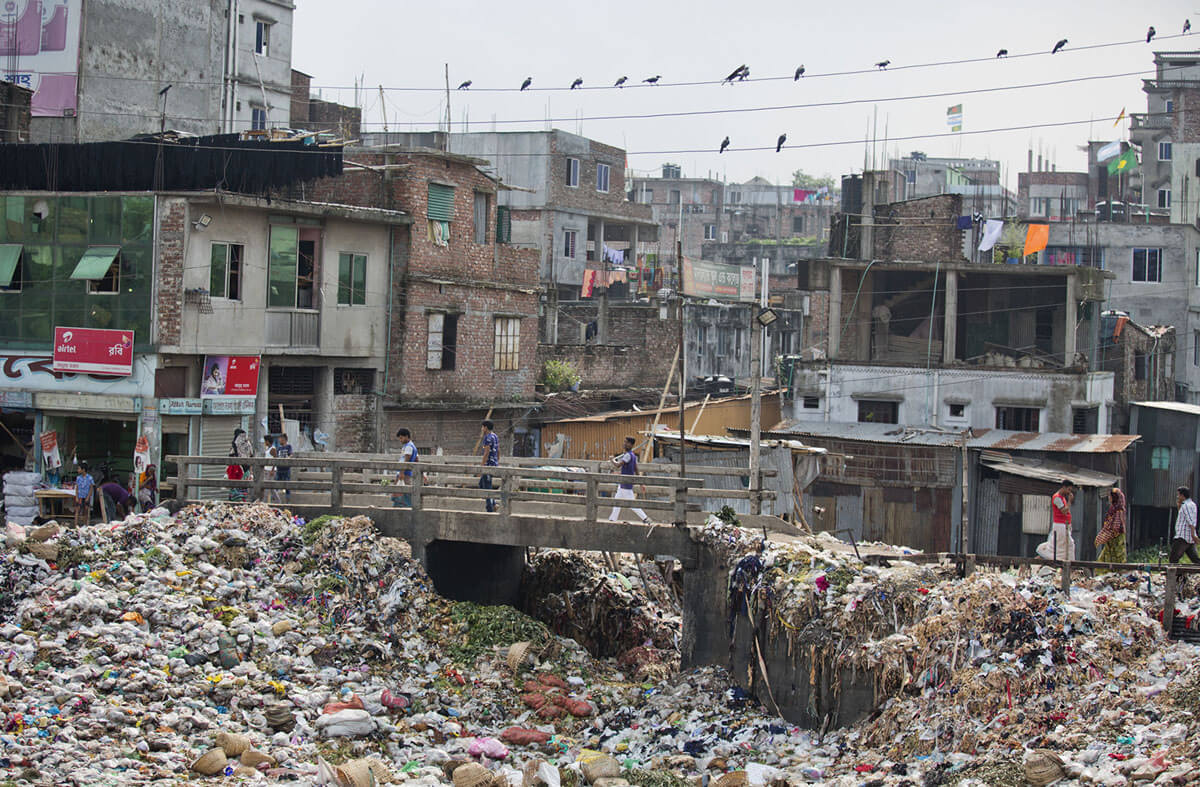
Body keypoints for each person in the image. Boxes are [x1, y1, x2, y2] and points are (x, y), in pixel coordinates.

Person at [608, 436, 650, 523]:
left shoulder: (627, 455)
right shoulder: (633, 456)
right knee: (617, 502)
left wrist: (612, 460)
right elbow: (636, 469)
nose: (624, 444)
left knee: (632, 504)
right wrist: (641, 483)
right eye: (624, 442)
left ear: (631, 444)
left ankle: (645, 518)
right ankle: (612, 519)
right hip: (625, 483)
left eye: (626, 442)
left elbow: (618, 465)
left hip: (625, 483)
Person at [1037, 479, 1077, 561]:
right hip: (1060, 525)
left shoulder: (1062, 498)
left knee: (1062, 546)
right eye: (1068, 489)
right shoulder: (1057, 498)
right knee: (1066, 545)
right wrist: (1070, 501)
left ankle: (1066, 561)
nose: (1069, 492)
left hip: (1064, 525)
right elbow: (1064, 511)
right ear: (1064, 487)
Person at [1095, 487, 1127, 571]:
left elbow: (1115, 527)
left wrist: (1106, 535)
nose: (1109, 498)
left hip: (1115, 539)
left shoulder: (1116, 509)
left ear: (1114, 497)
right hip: (1116, 538)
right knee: (1112, 557)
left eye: (1110, 496)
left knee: (1114, 557)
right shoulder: (1119, 508)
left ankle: (1110, 573)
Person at [1171, 486, 1200, 564]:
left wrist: (1193, 534)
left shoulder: (1186, 505)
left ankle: (1174, 576)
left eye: (1178, 495)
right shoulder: (1192, 504)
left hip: (1183, 536)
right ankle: (1180, 576)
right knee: (1196, 560)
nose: (1177, 497)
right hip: (1188, 538)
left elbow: (1190, 520)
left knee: (1173, 559)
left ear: (1182, 495)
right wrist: (1179, 506)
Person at [392, 428, 418, 507]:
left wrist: (401, 473)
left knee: (402, 493)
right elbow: (416, 459)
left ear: (406, 436)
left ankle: (403, 509)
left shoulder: (408, 447)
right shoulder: (411, 446)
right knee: (400, 492)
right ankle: (398, 508)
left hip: (404, 473)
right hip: (405, 472)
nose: (400, 440)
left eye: (401, 438)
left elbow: (406, 460)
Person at [479, 420, 499, 513]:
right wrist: (497, 461)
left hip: (488, 465)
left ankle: (490, 508)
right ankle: (494, 504)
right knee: (482, 484)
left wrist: (482, 466)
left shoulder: (487, 438)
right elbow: (498, 450)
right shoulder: (495, 436)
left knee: (487, 487)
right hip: (493, 463)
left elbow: (486, 452)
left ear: (485, 427)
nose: (482, 429)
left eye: (482, 427)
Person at [74, 461, 94, 526]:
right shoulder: (78, 478)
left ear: (83, 470)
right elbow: (76, 488)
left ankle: (86, 524)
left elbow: (91, 488)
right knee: (77, 510)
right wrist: (76, 497)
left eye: (79, 468)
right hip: (80, 496)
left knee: (86, 511)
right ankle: (76, 525)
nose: (78, 470)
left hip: (86, 496)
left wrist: (88, 497)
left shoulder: (90, 478)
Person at [274, 433, 293, 502]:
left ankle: (288, 501)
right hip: (279, 469)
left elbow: (291, 455)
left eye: (280, 439)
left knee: (287, 485)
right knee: (276, 484)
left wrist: (287, 459)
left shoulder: (288, 447)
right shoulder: (279, 448)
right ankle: (276, 499)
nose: (279, 441)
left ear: (284, 439)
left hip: (286, 469)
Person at [261, 435, 279, 503]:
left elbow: (275, 459)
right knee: (270, 488)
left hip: (270, 470)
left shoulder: (273, 449)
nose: (265, 442)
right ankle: (277, 501)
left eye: (265, 441)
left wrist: (272, 470)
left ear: (268, 441)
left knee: (268, 487)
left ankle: (264, 502)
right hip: (267, 470)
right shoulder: (268, 448)